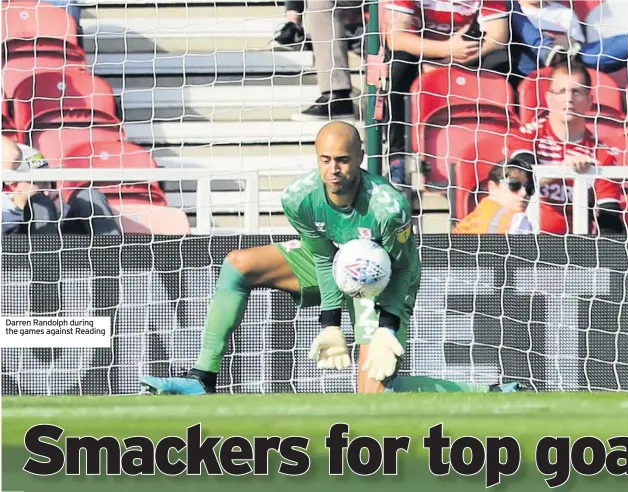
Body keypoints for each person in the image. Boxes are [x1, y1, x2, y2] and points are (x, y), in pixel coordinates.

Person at [139, 121, 527, 395]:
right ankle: (202, 378)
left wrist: (388, 327)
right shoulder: (298, 199)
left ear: (360, 156)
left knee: (374, 395)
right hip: (331, 264)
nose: (333, 169)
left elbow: (406, 268)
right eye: (325, 159)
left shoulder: (388, 207)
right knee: (238, 264)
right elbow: (323, 259)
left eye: (342, 159)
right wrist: (330, 324)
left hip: (382, 282)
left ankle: (489, 391)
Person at [384, 0, 511, 185]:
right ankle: (398, 157)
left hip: (466, 54)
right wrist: (446, 49)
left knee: (501, 61)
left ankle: (496, 152)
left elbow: (498, 37)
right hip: (421, 52)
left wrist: (452, 59)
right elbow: (396, 38)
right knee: (399, 66)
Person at [508, 60, 624, 235]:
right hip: (526, 242)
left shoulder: (601, 155)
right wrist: (562, 170)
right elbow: (519, 182)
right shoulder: (526, 135)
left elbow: (610, 220)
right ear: (548, 98)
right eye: (561, 91)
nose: (569, 99)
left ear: (589, 101)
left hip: (578, 247)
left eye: (576, 92)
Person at [1, 137, 121, 236]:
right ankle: (46, 263)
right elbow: (13, 155)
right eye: (39, 183)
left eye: (49, 181)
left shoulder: (56, 204)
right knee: (39, 202)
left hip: (67, 251)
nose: (48, 190)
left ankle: (113, 254)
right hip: (22, 255)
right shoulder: (5, 212)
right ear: (14, 185)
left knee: (90, 195)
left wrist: (58, 212)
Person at [509, 0, 628, 80]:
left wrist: (565, 44)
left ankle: (560, 56)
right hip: (533, 65)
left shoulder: (564, 13)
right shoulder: (512, 11)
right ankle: (548, 51)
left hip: (572, 59)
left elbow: (577, 44)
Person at [453, 157, 535, 235]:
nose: (524, 193)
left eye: (530, 188)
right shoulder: (518, 221)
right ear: (492, 187)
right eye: (514, 185)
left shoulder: (469, 222)